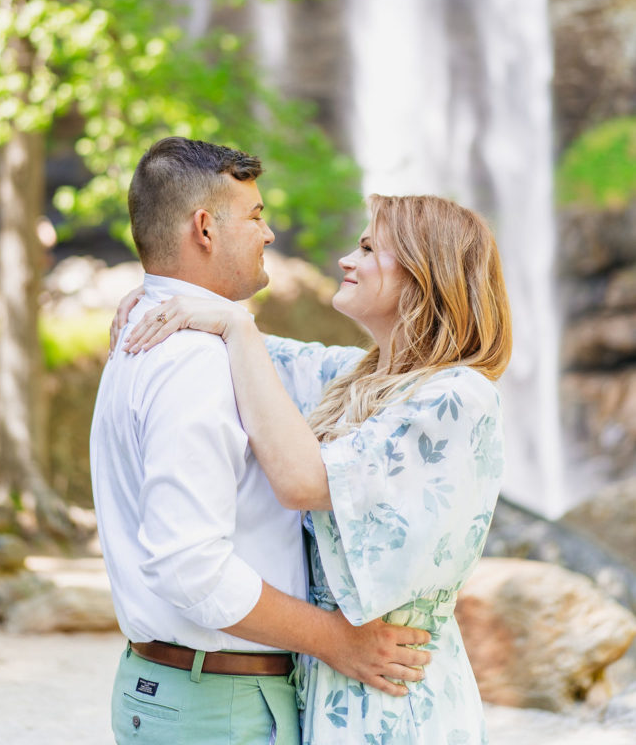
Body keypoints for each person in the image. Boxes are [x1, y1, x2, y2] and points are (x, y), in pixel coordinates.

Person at [116, 192, 513, 745]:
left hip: (392, 694)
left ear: (428, 275)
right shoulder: (356, 378)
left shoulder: (457, 398)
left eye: (370, 248)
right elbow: (249, 350)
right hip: (326, 682)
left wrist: (235, 323)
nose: (348, 260)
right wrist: (165, 292)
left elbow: (304, 481)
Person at [92, 136, 431, 745]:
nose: (268, 234)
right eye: (255, 216)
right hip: (217, 706)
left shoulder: (157, 337)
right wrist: (339, 642)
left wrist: (173, 298)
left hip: (181, 692)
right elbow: (189, 566)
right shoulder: (194, 361)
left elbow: (344, 373)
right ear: (204, 228)